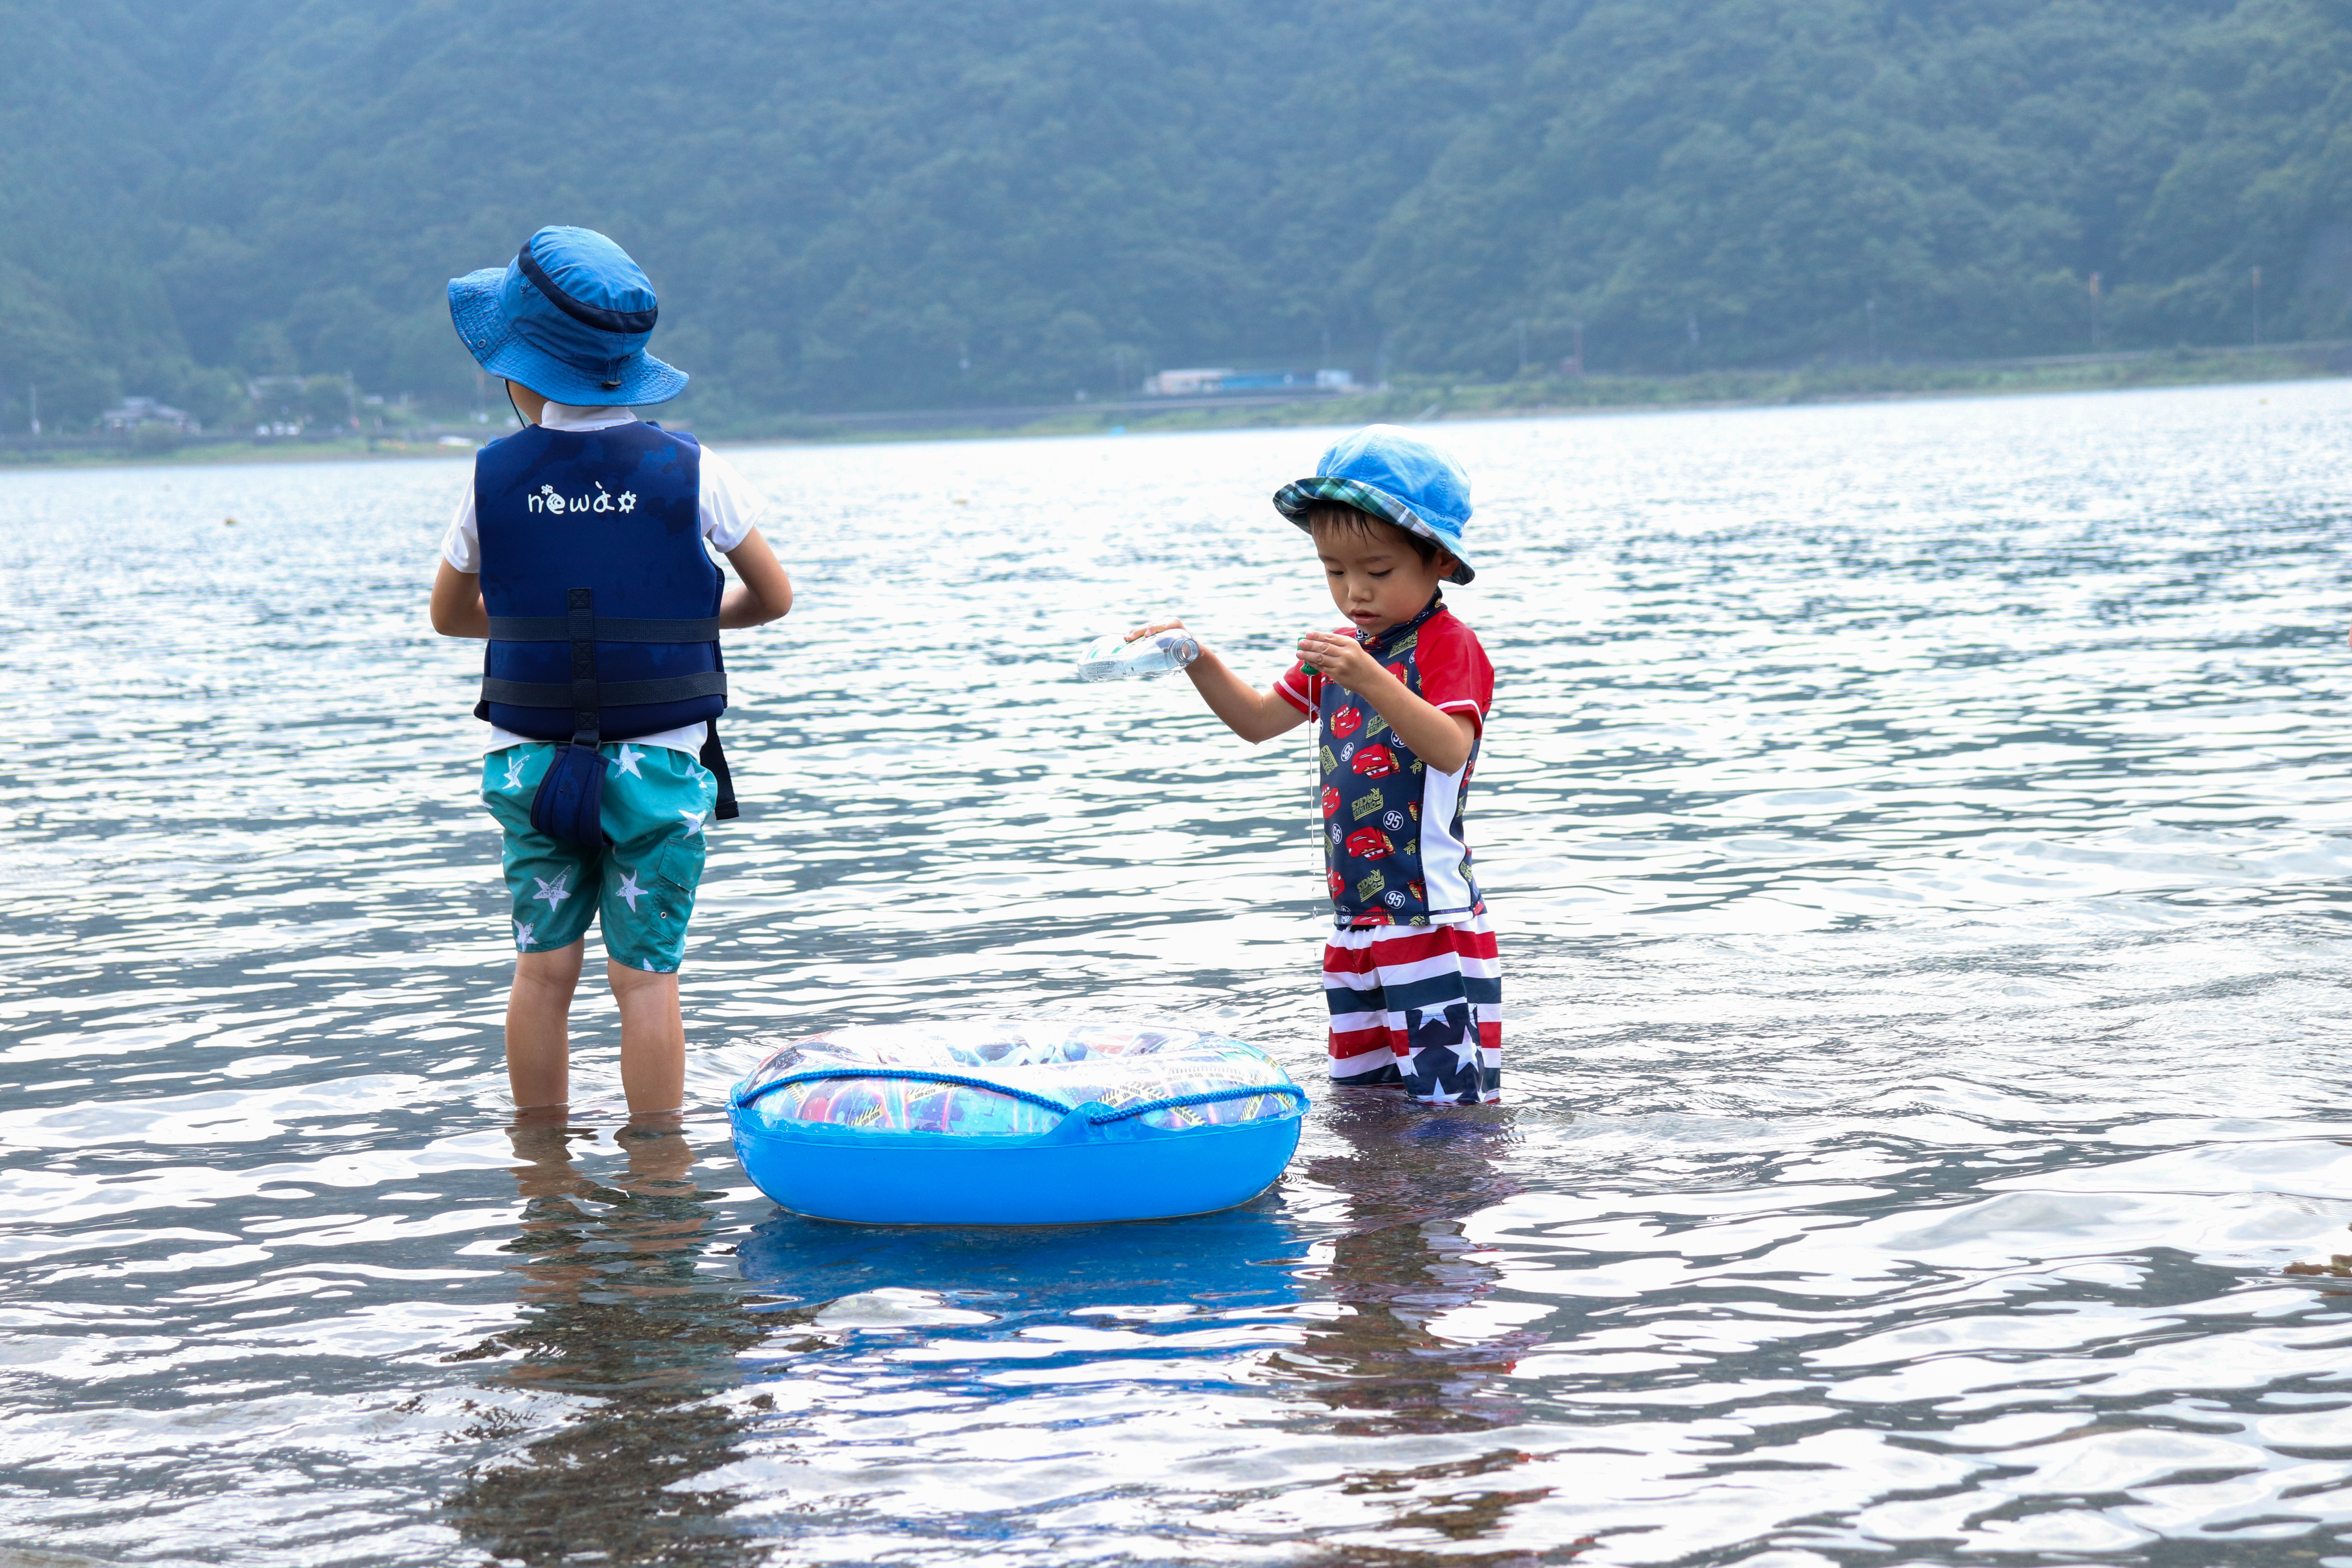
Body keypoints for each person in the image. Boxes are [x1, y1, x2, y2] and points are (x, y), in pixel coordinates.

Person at [426, 225, 793, 1119]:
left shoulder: (489, 479)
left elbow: (449, 616)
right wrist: (678, 627)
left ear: (523, 371)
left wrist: (542, 639)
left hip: (531, 764)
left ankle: (542, 1170)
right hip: (662, 766)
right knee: (646, 980)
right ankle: (661, 1175)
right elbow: (773, 597)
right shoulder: (692, 468)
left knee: (543, 971)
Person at [1129, 424, 1500, 1104]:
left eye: (1378, 572)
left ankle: (1449, 1208)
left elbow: (1450, 749)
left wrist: (1369, 678)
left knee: (1453, 1111)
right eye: (1334, 572)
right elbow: (1255, 721)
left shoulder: (1449, 646)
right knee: (1367, 1105)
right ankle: (1381, 1210)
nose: (1354, 591)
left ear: (1440, 562)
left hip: (1428, 919)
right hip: (1355, 921)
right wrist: (1197, 657)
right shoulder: (1340, 652)